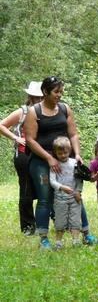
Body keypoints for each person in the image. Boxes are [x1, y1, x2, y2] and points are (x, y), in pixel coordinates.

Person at [24, 76, 96, 249]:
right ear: (45, 92)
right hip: (42, 160)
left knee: (75, 195)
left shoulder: (65, 109)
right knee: (45, 198)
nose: (59, 95)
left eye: (61, 92)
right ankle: (44, 239)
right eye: (56, 92)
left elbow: (73, 134)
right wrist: (49, 158)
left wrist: (77, 154)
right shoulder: (34, 112)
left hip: (66, 159)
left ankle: (86, 235)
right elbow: (30, 140)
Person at [0, 81, 43, 235]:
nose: (38, 100)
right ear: (30, 96)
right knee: (26, 190)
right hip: (23, 154)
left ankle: (42, 223)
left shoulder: (45, 110)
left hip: (40, 154)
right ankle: (28, 227)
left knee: (43, 188)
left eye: (41, 97)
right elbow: (2, 125)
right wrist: (15, 138)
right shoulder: (22, 112)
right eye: (35, 97)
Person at [49, 137, 83, 250]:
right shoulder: (54, 165)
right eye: (60, 153)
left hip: (74, 198)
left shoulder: (74, 163)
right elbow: (52, 181)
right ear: (55, 153)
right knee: (60, 221)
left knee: (75, 220)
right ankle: (58, 242)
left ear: (70, 151)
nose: (63, 155)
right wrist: (61, 187)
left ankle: (76, 241)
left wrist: (78, 191)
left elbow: (79, 179)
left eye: (65, 152)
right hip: (60, 199)